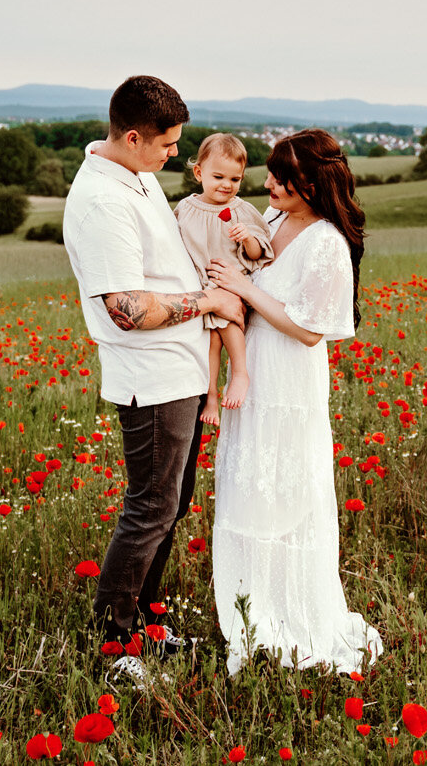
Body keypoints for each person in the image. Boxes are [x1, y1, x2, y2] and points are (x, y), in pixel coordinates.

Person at [61, 76, 245, 684]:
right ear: (134, 136)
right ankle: (115, 643)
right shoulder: (103, 202)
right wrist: (208, 300)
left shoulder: (135, 175)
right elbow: (127, 308)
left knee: (173, 503)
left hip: (183, 370)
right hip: (152, 376)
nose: (174, 155)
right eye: (167, 145)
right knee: (150, 507)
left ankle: (143, 617)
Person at [204, 129, 385, 676]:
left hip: (288, 383)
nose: (267, 184)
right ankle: (252, 616)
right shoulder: (275, 220)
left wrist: (245, 287)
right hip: (252, 374)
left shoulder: (327, 241)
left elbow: (309, 330)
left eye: (279, 178)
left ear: (309, 182)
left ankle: (292, 619)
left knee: (286, 498)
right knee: (248, 493)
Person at [173, 133, 274, 426]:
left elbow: (258, 253)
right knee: (210, 345)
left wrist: (248, 237)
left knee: (226, 325)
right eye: (218, 176)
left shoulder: (241, 211)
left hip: (230, 285)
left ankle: (240, 373)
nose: (226, 185)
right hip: (200, 288)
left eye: (235, 179)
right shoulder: (186, 208)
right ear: (199, 172)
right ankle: (211, 396)